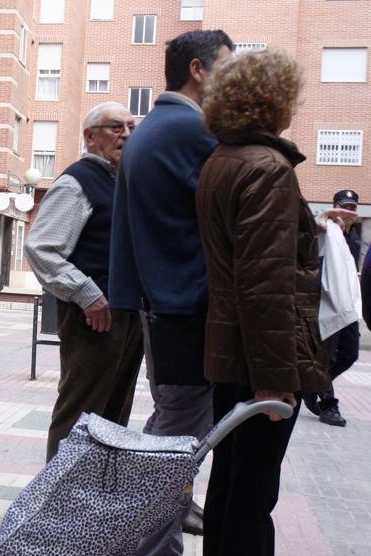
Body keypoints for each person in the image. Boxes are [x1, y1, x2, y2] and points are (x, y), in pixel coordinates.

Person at [196, 49, 329, 556]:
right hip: (262, 361)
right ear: (273, 100)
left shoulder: (223, 159)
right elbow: (266, 283)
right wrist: (275, 382)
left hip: (231, 351)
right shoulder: (268, 168)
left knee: (231, 483)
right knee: (253, 495)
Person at [108, 29, 233, 553]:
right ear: (198, 71)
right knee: (176, 442)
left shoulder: (153, 128)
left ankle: (159, 529)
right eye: (226, 65)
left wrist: (123, 299)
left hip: (164, 308)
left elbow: (125, 229)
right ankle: (152, 546)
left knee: (171, 428)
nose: (235, 77)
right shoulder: (191, 128)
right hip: (185, 309)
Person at [25, 102, 144, 461]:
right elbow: (41, 247)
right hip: (94, 317)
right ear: (90, 136)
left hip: (126, 314)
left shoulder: (120, 181)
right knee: (80, 415)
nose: (126, 133)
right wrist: (87, 293)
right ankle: (58, 505)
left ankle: (93, 501)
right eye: (115, 127)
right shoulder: (77, 181)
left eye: (131, 127)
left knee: (114, 417)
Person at [302, 189, 361, 427]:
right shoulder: (327, 231)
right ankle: (328, 404)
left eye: (352, 208)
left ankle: (311, 385)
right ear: (336, 207)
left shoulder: (354, 238)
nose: (348, 212)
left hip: (347, 305)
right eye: (344, 206)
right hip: (326, 304)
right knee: (327, 355)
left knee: (350, 353)